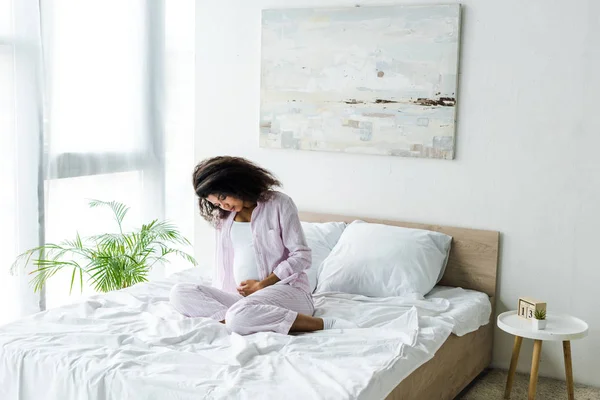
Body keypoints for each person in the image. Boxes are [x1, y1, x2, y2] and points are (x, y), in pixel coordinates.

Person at [169, 156, 355, 335]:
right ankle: (242, 319)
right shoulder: (223, 217)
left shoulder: (279, 204)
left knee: (238, 314)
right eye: (216, 203)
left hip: (289, 292)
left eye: (223, 197)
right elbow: (225, 264)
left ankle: (323, 324)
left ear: (235, 184)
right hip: (242, 299)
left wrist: (262, 285)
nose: (223, 206)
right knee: (179, 292)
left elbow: (301, 256)